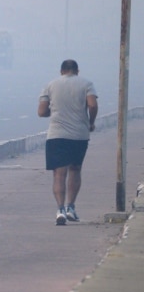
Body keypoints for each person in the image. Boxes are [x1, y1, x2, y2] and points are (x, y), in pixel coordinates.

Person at [38, 59, 98, 225]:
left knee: (59, 173)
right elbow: (92, 105)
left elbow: (42, 112)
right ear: (77, 71)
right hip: (79, 135)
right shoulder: (87, 83)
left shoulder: (50, 85)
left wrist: (56, 109)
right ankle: (71, 207)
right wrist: (91, 122)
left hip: (56, 135)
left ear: (61, 71)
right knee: (75, 169)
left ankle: (60, 210)